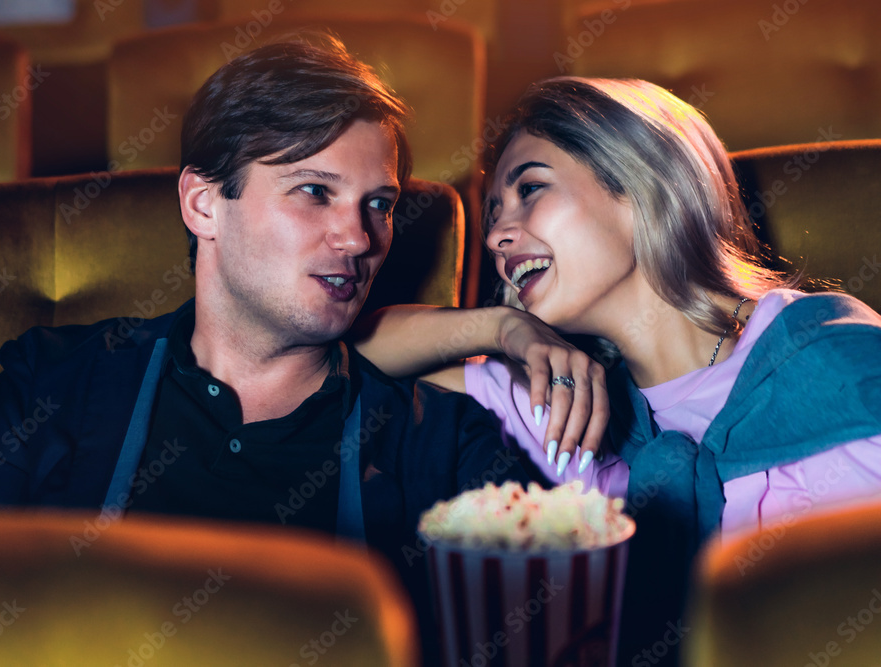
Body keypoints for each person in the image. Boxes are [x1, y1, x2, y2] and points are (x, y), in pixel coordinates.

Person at [0, 38, 614, 663]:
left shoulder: (444, 446)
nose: (359, 238)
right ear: (203, 204)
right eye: (315, 192)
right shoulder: (55, 382)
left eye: (379, 204)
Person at [354, 76, 881, 665]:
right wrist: (500, 328)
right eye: (495, 215)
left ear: (642, 181)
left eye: (531, 189)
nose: (498, 236)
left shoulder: (836, 362)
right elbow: (341, 360)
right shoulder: (562, 399)